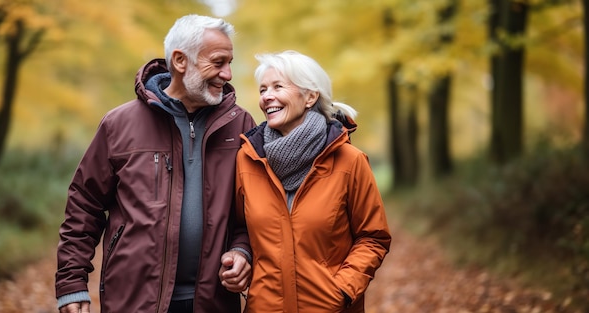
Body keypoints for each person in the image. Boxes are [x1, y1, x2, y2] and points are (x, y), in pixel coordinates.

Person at [55, 14, 256, 313]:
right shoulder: (118, 125)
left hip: (213, 303)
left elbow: (251, 211)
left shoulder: (240, 124)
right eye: (218, 62)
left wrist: (242, 251)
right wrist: (71, 286)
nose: (227, 74)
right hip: (134, 301)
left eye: (229, 63)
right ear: (180, 60)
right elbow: (84, 206)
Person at [234, 50, 392, 312]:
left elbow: (373, 237)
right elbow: (240, 230)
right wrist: (239, 255)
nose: (266, 96)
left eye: (277, 86)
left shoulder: (349, 161)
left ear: (310, 96)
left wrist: (342, 289)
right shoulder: (247, 160)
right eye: (263, 89)